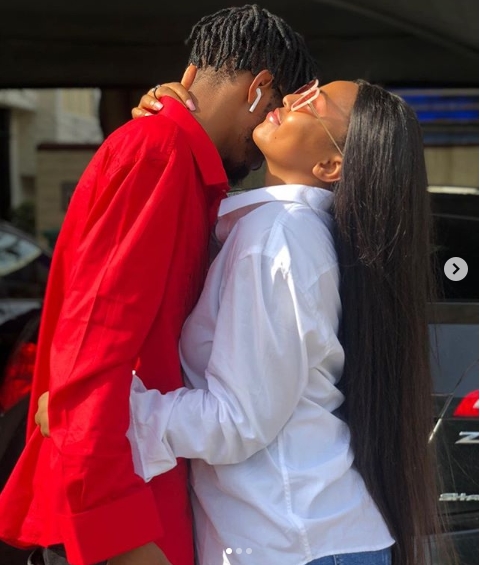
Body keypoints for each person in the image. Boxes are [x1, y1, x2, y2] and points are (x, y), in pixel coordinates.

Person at [0, 5, 318, 565]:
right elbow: (93, 342)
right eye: (276, 109)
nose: (270, 131)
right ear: (258, 89)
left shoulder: (182, 162)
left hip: (138, 493)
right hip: (120, 513)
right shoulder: (159, 151)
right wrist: (117, 532)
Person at [116, 79, 443, 564]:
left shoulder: (278, 237)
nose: (291, 99)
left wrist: (105, 410)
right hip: (303, 538)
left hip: (297, 544)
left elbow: (236, 420)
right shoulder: (286, 231)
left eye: (315, 103)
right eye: (304, 90)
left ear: (330, 166)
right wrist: (175, 122)